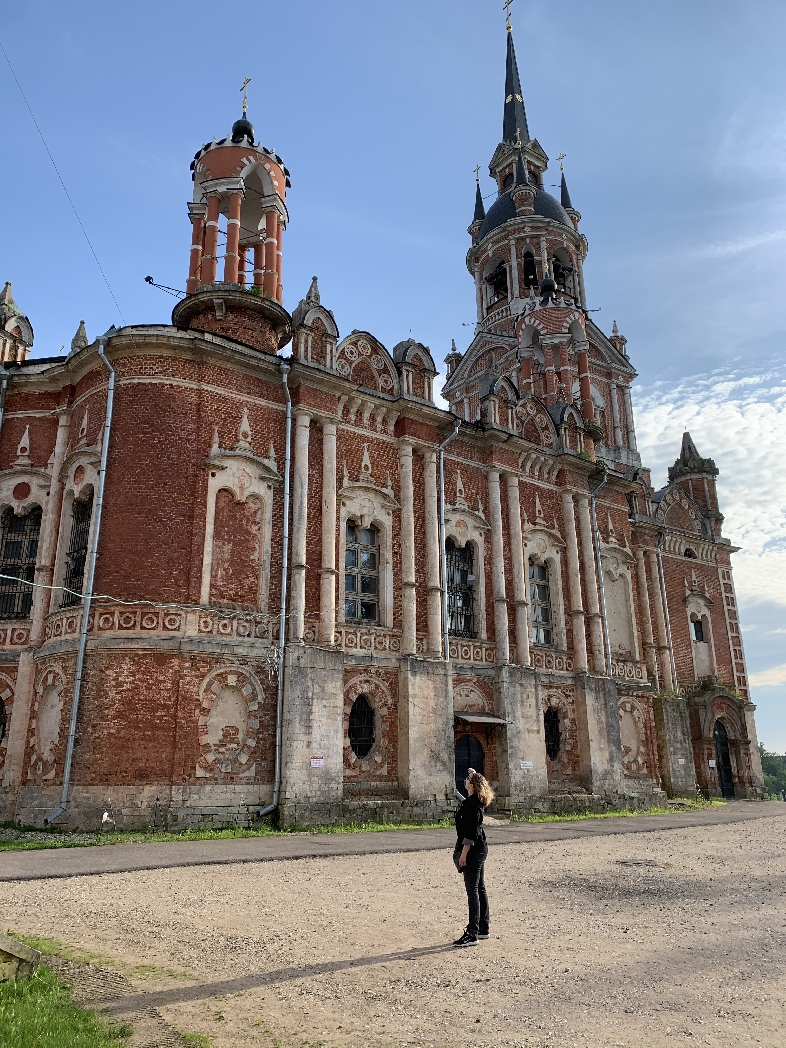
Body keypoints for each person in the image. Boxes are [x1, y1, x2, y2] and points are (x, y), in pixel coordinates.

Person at [452, 767, 494, 947]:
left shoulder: (473, 805)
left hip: (473, 850)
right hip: (479, 849)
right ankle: (483, 928)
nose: (465, 781)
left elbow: (470, 832)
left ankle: (472, 933)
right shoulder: (474, 800)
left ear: (472, 786)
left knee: (473, 891)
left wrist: (463, 854)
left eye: (468, 780)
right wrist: (474, 773)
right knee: (480, 888)